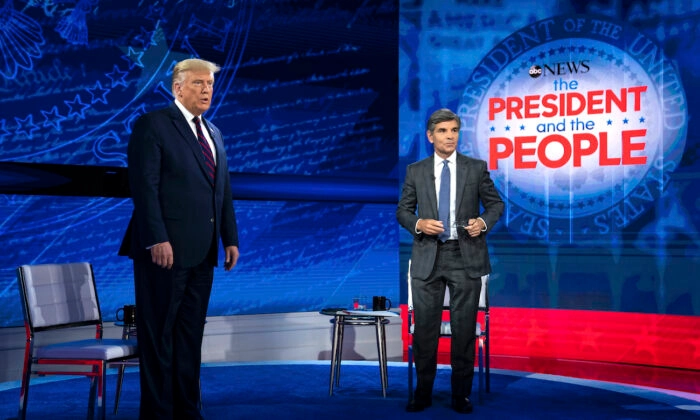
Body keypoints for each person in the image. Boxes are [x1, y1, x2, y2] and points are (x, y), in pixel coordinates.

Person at [119, 58, 239, 419]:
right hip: (164, 251)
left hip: (203, 253)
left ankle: (188, 411)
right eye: (199, 83)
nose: (206, 90)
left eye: (210, 84)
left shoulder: (214, 133)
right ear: (178, 88)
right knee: (158, 338)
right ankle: (157, 413)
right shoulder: (153, 125)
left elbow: (223, 191)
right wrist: (157, 238)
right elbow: (145, 187)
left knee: (189, 337)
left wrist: (229, 239)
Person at [397, 108, 504, 414]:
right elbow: (403, 211)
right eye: (443, 131)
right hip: (427, 256)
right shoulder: (415, 171)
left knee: (463, 330)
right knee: (426, 331)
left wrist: (482, 223)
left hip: (464, 255)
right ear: (431, 136)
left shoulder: (475, 167)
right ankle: (423, 392)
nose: (449, 136)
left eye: (454, 130)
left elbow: (495, 205)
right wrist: (418, 224)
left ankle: (461, 395)